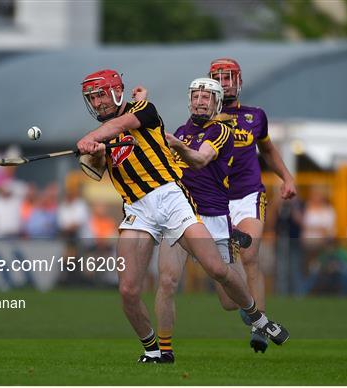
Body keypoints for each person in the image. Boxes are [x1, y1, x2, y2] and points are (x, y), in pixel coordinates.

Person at [77, 69, 289, 363]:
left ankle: (258, 317)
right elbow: (95, 169)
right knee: (128, 290)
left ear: (115, 91)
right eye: (92, 98)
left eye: (101, 95)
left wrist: (90, 137)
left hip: (171, 198)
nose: (98, 103)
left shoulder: (144, 110)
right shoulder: (106, 134)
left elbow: (124, 124)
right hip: (137, 209)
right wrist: (95, 151)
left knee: (216, 269)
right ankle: (153, 350)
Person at [154, 77, 273, 362]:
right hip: (181, 213)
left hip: (214, 215)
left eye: (206, 97)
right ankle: (162, 351)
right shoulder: (182, 131)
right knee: (168, 281)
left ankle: (253, 311)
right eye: (195, 96)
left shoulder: (221, 130)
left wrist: (173, 144)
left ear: (217, 102)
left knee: (229, 302)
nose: (200, 101)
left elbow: (200, 158)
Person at [209, 58, 297, 352]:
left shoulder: (255, 116)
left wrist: (286, 178)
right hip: (217, 201)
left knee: (249, 255)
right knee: (226, 302)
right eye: (219, 78)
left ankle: (259, 327)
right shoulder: (203, 121)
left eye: (229, 77)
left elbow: (268, 150)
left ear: (239, 81)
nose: (225, 83)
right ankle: (248, 306)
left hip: (248, 195)